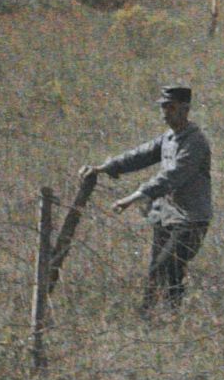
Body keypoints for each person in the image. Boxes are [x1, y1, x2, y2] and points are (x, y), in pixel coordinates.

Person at [83, 84, 213, 315]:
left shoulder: (195, 142)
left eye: (170, 107)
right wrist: (106, 167)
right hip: (166, 216)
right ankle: (153, 317)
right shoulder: (169, 138)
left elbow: (172, 176)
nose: (165, 113)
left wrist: (133, 198)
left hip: (190, 219)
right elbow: (140, 154)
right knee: (160, 271)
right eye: (163, 107)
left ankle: (161, 315)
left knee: (167, 265)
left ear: (185, 109)